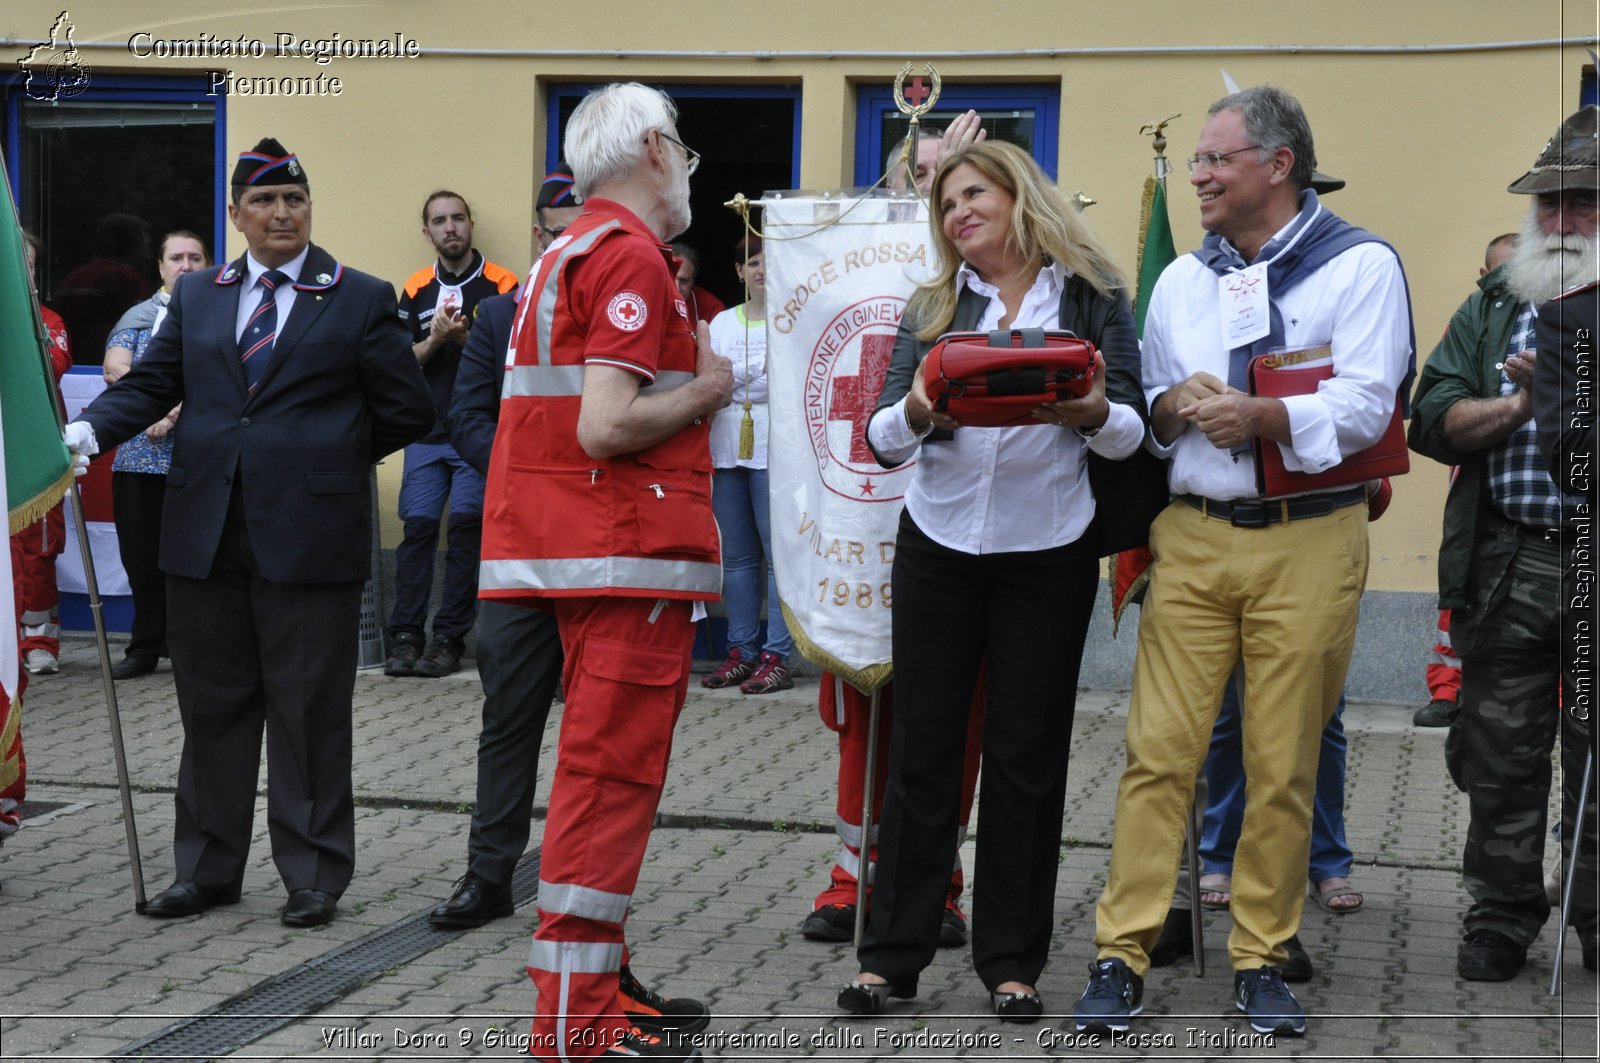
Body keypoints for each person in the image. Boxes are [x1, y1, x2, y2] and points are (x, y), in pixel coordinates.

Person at [1075, 86, 1413, 1039]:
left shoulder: (1360, 265)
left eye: (1217, 160)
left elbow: (1370, 402)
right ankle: (1121, 951)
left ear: (1280, 165)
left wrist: (1268, 416)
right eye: (1195, 162)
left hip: (1311, 535)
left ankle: (1263, 956)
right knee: (1158, 754)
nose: (1201, 176)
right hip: (1192, 533)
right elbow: (1148, 413)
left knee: (1282, 760)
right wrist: (1175, 406)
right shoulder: (1184, 279)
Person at [62, 137, 434, 928]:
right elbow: (156, 384)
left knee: (307, 712)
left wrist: (323, 459)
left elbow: (407, 408)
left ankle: (312, 875)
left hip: (309, 536)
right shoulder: (199, 297)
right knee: (213, 707)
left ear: (309, 209)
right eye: (263, 202)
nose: (281, 213)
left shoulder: (360, 296)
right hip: (206, 532)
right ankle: (205, 870)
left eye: (294, 200)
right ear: (235, 215)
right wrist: (86, 433)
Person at [838, 139, 1149, 1025]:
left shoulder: (1094, 294)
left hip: (1048, 550)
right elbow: (880, 438)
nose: (958, 213)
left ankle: (1011, 962)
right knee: (923, 754)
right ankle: (890, 957)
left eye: (974, 194)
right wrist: (922, 407)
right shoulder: (936, 301)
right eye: (945, 204)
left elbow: (1131, 425)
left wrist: (1092, 414)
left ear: (1021, 196)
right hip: (937, 545)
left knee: (1026, 759)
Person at [478, 83, 731, 1063]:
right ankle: (577, 1026)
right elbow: (605, 423)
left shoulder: (565, 251)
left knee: (594, 783)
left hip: (560, 547)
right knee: (607, 785)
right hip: (620, 553)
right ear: (657, 148)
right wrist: (708, 389)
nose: (690, 177)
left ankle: (596, 992)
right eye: (686, 154)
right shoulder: (626, 254)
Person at [1409, 105, 1600, 980]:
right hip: (1510, 557)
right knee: (1499, 751)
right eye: (1550, 206)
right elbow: (1431, 416)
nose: (1562, 223)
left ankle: (1597, 916)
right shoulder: (1495, 303)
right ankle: (1501, 914)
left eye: (1584, 205)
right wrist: (1524, 405)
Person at [801, 109, 990, 947]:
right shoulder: (859, 269)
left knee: (956, 717)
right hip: (860, 521)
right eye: (920, 179)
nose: (935, 200)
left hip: (957, 522)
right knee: (864, 711)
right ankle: (854, 875)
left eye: (952, 184)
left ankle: (937, 880)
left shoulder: (988, 276)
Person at [384, 192, 518, 679]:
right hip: (424, 432)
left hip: (477, 433)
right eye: (439, 221)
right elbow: (399, 364)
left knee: (466, 533)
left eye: (458, 218)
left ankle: (448, 639)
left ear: (471, 224)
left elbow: (513, 358)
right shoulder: (416, 287)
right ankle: (405, 636)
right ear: (427, 232)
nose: (450, 228)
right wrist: (437, 339)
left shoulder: (503, 283)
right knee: (416, 532)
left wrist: (469, 340)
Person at [1415, 233, 1519, 729]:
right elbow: (1438, 404)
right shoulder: (1472, 323)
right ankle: (1447, 689)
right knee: (1461, 593)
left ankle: (1565, 694)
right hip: (1478, 487)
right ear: (1485, 278)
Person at [101, 230, 209, 680]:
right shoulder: (139, 315)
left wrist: (175, 411)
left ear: (208, 265)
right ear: (160, 267)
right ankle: (145, 648)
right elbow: (115, 367)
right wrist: (163, 409)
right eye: (176, 257)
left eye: (195, 257)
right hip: (139, 461)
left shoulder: (221, 314)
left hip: (200, 463)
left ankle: (194, 652)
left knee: (196, 562)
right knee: (142, 560)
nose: (185, 265)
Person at [699, 234, 794, 694]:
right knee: (736, 557)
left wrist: (737, 382)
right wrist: (744, 382)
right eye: (751, 262)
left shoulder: (792, 319)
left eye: (767, 262)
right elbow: (709, 379)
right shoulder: (721, 323)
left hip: (774, 441)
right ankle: (741, 650)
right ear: (738, 272)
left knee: (777, 558)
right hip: (726, 442)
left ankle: (777, 654)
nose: (760, 270)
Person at [14, 232, 72, 676]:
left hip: (33, 454)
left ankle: (39, 642)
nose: (21, 269)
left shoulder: (49, 320)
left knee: (37, 549)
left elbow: (48, 368)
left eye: (27, 263)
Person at [670, 243, 725, 326]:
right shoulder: (647, 298)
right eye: (670, 278)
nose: (677, 288)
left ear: (692, 281)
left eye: (684, 281)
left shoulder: (710, 307)